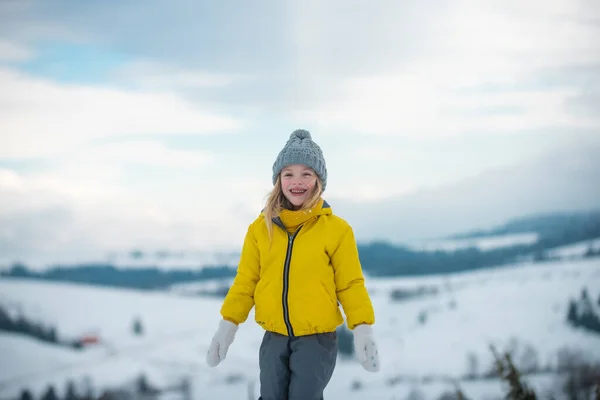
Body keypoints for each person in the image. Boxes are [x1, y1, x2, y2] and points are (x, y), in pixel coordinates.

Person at [206, 129, 380, 400]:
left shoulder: (337, 230)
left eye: (306, 174)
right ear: (279, 180)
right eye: (289, 174)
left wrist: (362, 328)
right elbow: (246, 282)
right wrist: (227, 325)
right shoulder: (259, 230)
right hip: (273, 337)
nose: (297, 182)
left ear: (318, 180)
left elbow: (350, 284)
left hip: (316, 339)